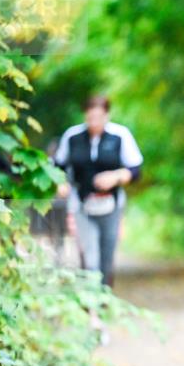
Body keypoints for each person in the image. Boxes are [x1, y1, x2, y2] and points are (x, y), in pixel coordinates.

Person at [53, 95, 144, 289]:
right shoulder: (72, 137)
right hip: (82, 204)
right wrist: (60, 183)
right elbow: (57, 166)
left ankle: (104, 297)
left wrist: (116, 176)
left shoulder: (120, 135)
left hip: (111, 205)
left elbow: (136, 170)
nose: (94, 122)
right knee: (90, 257)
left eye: (99, 117)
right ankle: (91, 301)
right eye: (90, 117)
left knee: (106, 258)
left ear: (107, 116)